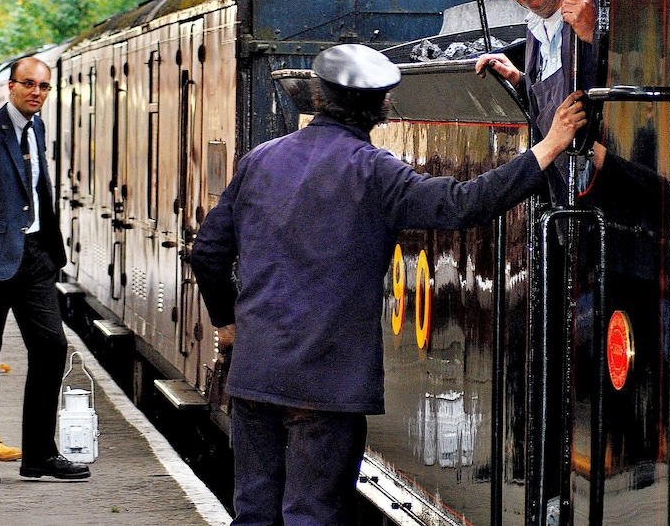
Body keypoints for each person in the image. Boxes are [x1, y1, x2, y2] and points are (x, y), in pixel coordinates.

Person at [190, 44, 587, 525]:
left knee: (253, 514)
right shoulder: (375, 171)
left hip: (257, 373)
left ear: (317, 97)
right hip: (327, 383)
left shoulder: (259, 160)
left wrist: (229, 326)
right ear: (382, 107)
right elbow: (464, 204)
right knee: (311, 514)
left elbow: (207, 252)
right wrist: (550, 146)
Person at [0, 57, 91, 485]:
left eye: (44, 87)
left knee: (50, 348)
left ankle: (40, 454)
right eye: (29, 84)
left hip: (36, 258)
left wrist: (48, 250)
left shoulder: (36, 127)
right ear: (10, 86)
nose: (36, 93)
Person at [475, 0, 609, 189]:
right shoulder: (536, 25)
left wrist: (594, 33)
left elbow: (650, 69)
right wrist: (520, 81)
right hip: (568, 200)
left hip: (612, 195)